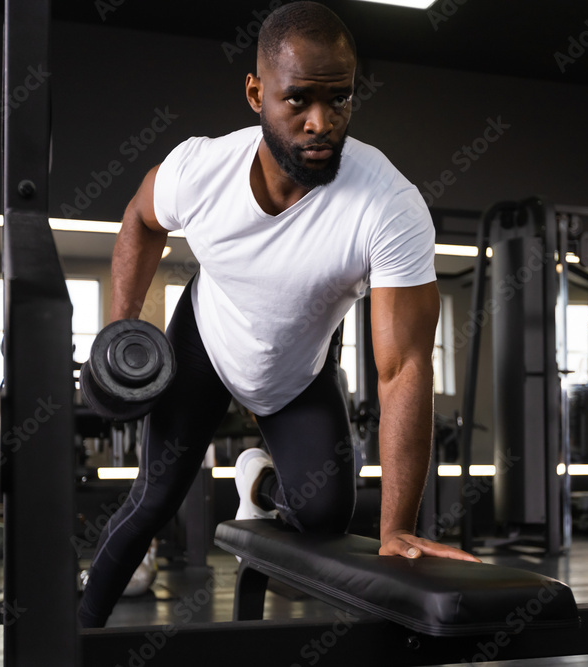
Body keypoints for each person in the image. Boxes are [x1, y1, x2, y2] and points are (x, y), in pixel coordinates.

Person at [78, 1, 478, 629]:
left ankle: (257, 487)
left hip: (297, 371)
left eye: (340, 100)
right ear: (256, 92)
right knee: (152, 500)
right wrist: (122, 331)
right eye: (298, 101)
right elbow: (139, 219)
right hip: (203, 344)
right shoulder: (201, 170)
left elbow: (403, 367)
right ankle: (77, 632)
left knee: (324, 519)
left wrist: (397, 527)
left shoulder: (388, 204)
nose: (322, 122)